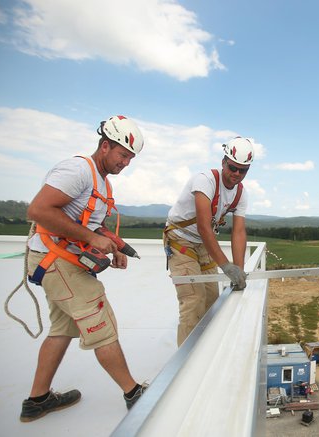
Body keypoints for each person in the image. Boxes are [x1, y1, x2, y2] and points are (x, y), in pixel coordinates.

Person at [21, 115, 148, 422]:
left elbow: (90, 222)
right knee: (100, 324)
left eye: (130, 159)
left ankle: (37, 401)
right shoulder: (77, 170)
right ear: (105, 146)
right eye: (122, 155)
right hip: (57, 263)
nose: (125, 163)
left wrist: (114, 246)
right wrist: (91, 238)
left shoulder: (101, 182)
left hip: (61, 263)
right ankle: (134, 394)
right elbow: (38, 210)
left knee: (62, 330)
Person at [164, 136, 253, 346]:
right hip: (181, 240)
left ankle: (204, 351)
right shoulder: (205, 180)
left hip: (203, 245)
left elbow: (238, 231)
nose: (236, 174)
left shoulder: (241, 194)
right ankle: (184, 363)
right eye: (233, 168)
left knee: (213, 300)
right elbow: (204, 227)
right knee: (193, 301)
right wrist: (225, 266)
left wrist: (238, 270)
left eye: (243, 170)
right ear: (224, 162)